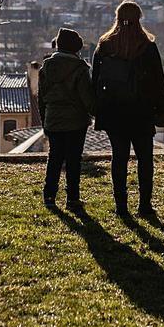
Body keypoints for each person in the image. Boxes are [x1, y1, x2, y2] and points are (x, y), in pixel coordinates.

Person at [93, 0, 164, 217]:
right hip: (142, 111)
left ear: (117, 18)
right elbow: (158, 81)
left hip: (114, 112)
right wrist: (161, 109)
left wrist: (98, 109)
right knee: (145, 159)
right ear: (139, 18)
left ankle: (121, 206)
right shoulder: (147, 46)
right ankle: (144, 205)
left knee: (119, 158)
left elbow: (96, 80)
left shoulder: (105, 45)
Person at [38, 28, 95, 212]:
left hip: (53, 119)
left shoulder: (46, 68)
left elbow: (41, 98)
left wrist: (45, 121)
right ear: (76, 48)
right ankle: (72, 198)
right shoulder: (80, 69)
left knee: (54, 158)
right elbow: (86, 98)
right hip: (75, 121)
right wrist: (97, 113)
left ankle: (49, 195)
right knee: (73, 161)